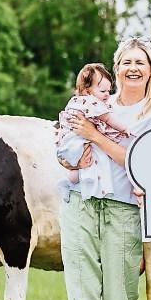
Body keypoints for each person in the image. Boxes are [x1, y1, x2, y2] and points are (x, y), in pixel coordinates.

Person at [58, 38, 151, 300]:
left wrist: (95, 135)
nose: (133, 68)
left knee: (121, 290)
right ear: (117, 67)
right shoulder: (95, 100)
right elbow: (65, 141)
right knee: (82, 284)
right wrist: (70, 159)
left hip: (123, 207)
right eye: (126, 62)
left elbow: (141, 162)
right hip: (80, 200)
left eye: (140, 62)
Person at [57, 63, 131, 200]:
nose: (107, 95)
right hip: (79, 140)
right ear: (87, 91)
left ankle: (66, 183)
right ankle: (97, 189)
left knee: (77, 171)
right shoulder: (92, 103)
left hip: (68, 142)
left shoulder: (74, 101)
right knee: (94, 161)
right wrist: (124, 128)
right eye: (103, 91)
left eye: (109, 91)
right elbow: (109, 118)